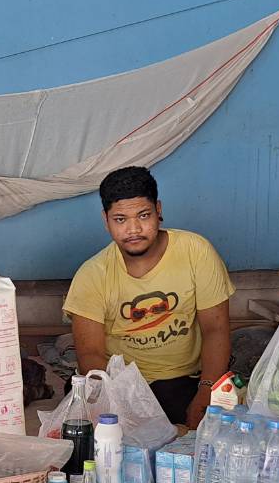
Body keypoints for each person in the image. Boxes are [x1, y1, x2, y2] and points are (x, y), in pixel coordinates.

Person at [63, 166, 234, 427]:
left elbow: (216, 329)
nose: (133, 229)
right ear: (106, 220)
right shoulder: (92, 274)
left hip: (185, 381)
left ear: (158, 210)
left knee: (215, 417)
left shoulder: (196, 252)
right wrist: (127, 406)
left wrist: (206, 391)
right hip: (122, 386)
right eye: (120, 219)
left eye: (143, 215)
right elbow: (90, 355)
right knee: (81, 408)